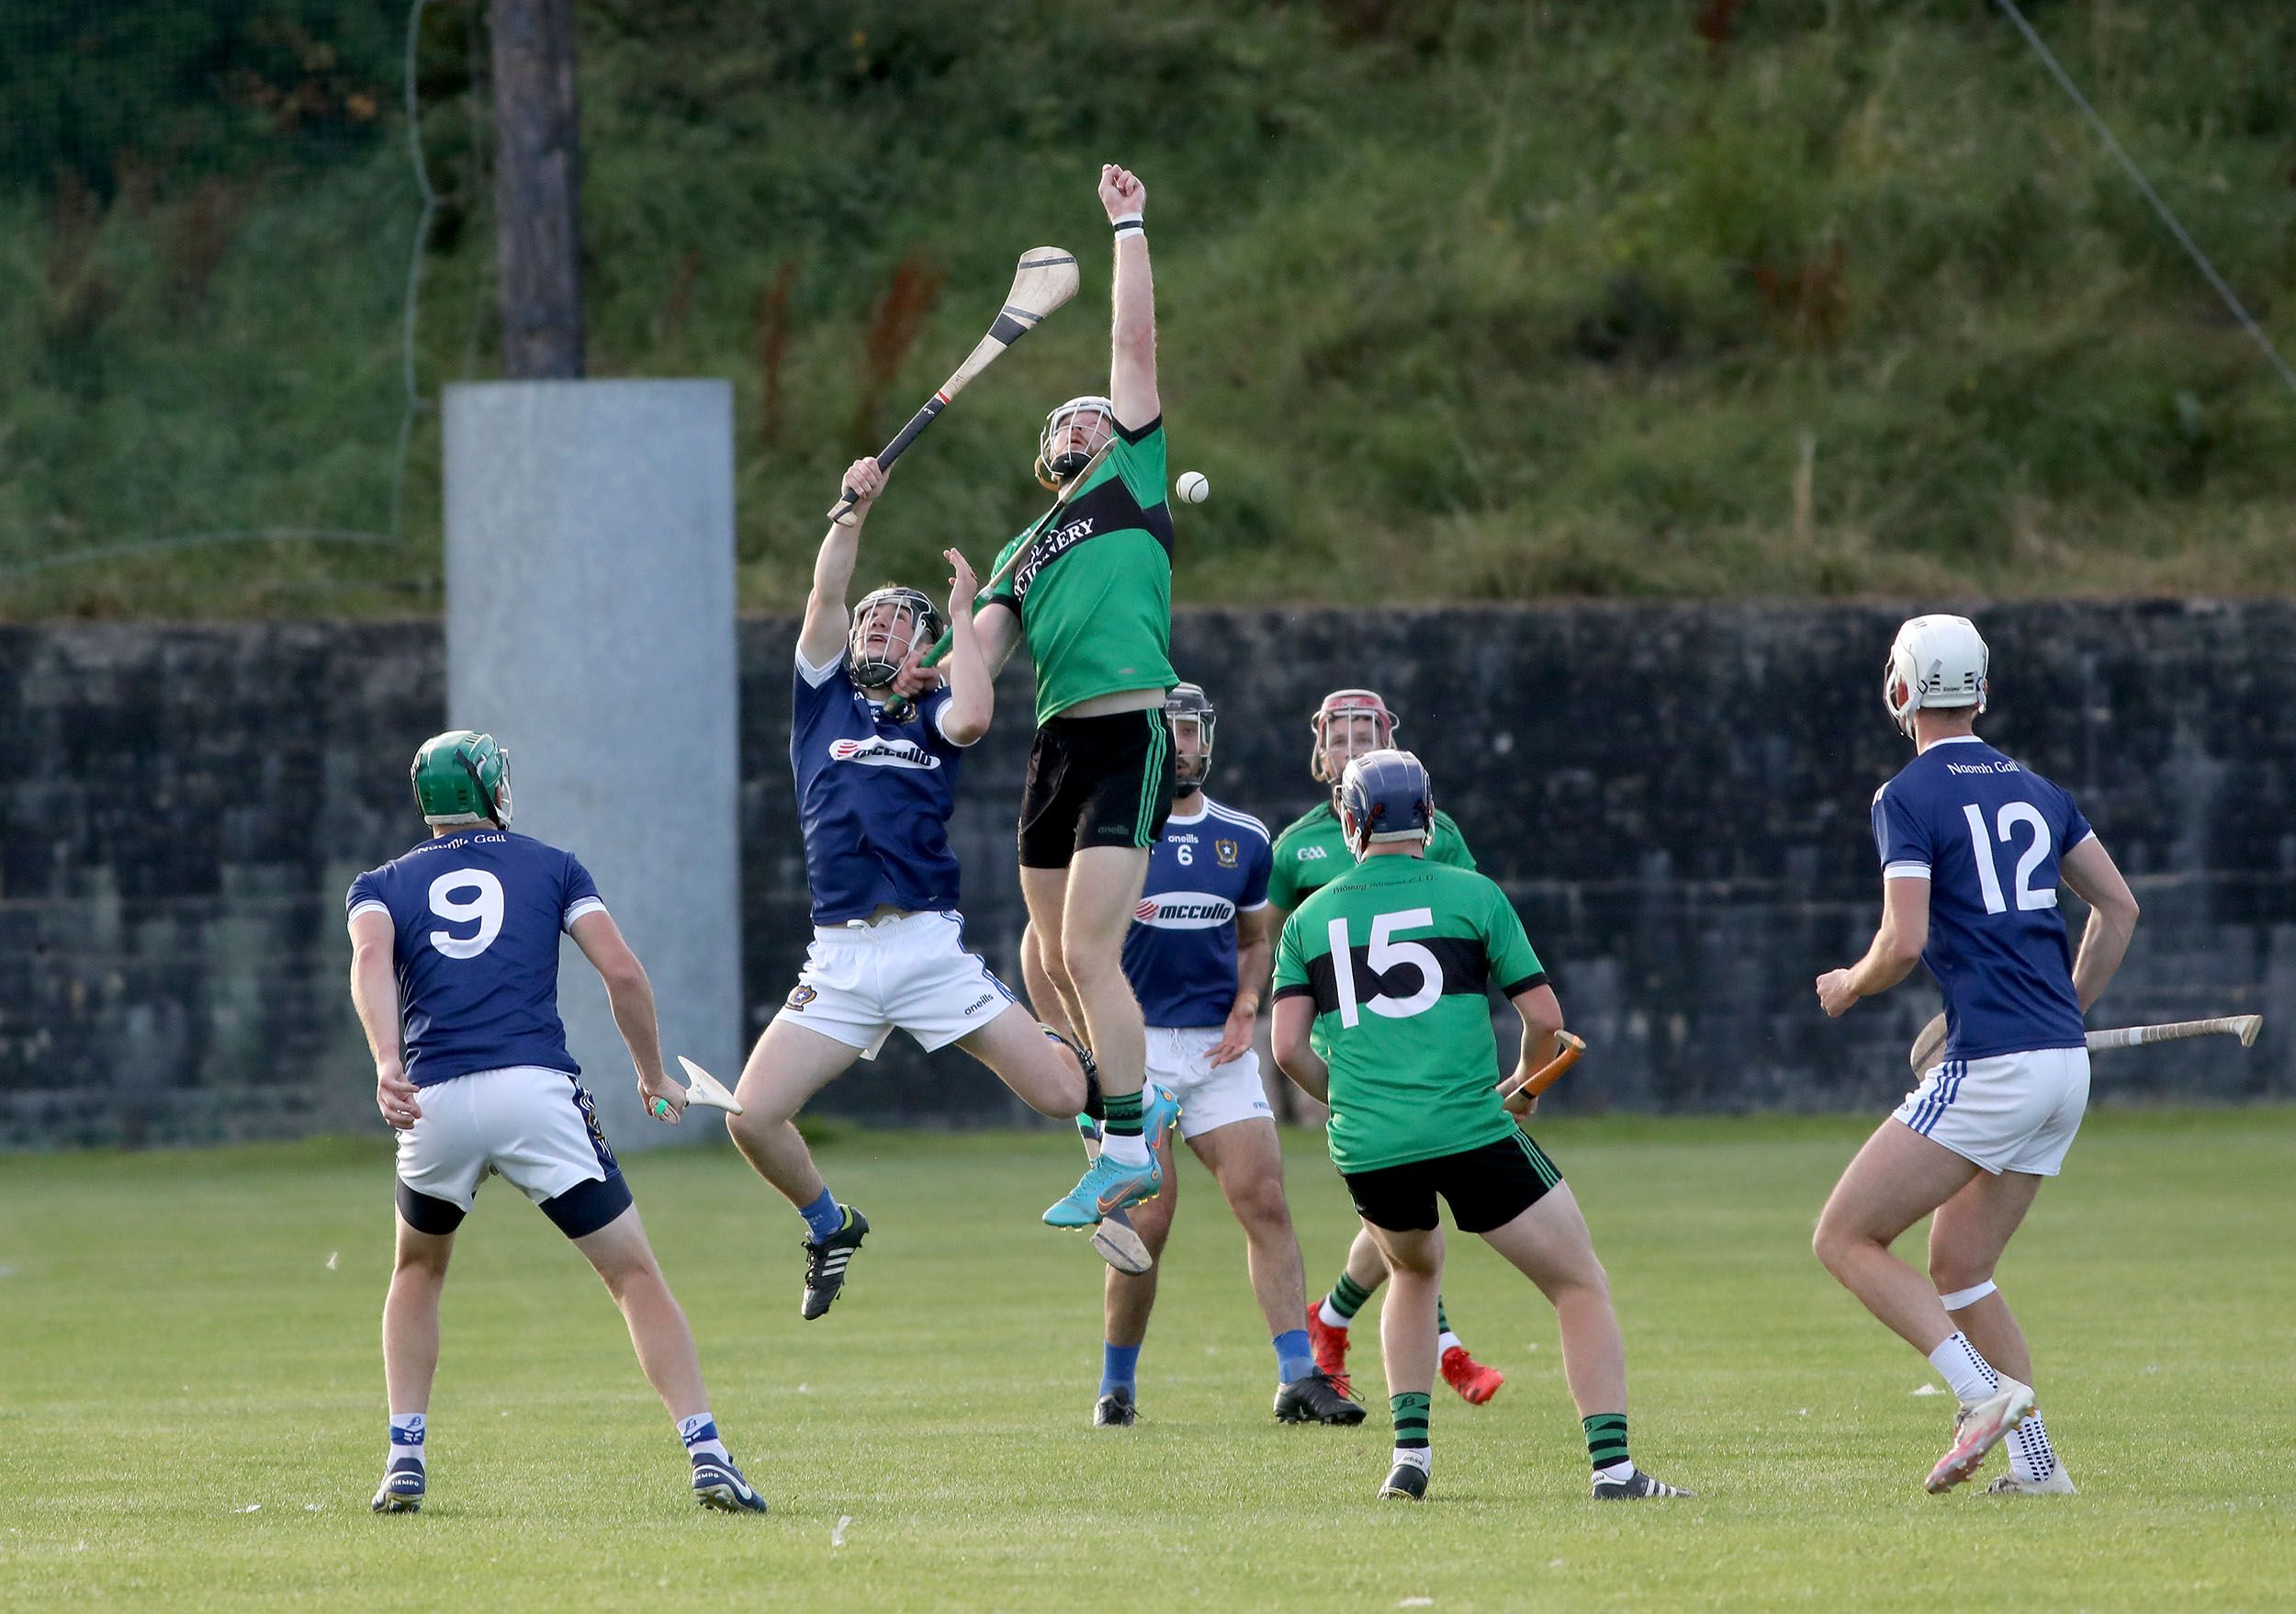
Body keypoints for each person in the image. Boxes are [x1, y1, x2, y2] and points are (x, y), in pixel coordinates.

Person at [720, 457, 1149, 1324]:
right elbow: (823, 597)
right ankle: (829, 1222)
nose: (876, 633)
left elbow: (979, 714)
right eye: (870, 622)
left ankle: (1126, 1094)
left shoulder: (934, 714)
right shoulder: (820, 705)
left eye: (896, 626)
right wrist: (851, 512)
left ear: (926, 650)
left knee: (1065, 1094)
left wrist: (961, 614)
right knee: (752, 1115)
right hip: (839, 956)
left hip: (925, 947)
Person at [347, 730, 766, 1516]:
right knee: (632, 1274)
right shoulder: (554, 864)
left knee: (417, 1270)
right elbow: (623, 971)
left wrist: (384, 1060)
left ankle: (404, 1454)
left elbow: (369, 962)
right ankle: (707, 1451)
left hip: (434, 1098)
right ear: (491, 790)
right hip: (535, 1093)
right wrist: (651, 1073)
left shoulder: (379, 883)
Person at [1271, 750, 1693, 1503]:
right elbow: (1545, 1018)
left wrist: (1351, 1095)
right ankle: (1613, 1470)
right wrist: (1524, 1088)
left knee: (1410, 1270)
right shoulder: (1473, 894)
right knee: (1578, 1282)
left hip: (1370, 1142)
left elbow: (1287, 1048)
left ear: (1351, 821)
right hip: (1471, 1126)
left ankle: (1409, 1459)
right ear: (1426, 817)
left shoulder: (1310, 916)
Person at [1812, 615, 2139, 1495]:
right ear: (1981, 690)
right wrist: (2066, 1012)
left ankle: (1979, 1392)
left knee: (1843, 1235)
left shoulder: (1905, 796)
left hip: (1992, 1063)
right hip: (2062, 1070)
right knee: (1960, 1268)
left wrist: (1849, 982)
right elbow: (2120, 909)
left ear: (1900, 690)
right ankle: (2038, 1469)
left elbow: (1904, 940)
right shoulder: (2039, 789)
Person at [942, 164, 1182, 1236]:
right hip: (1050, 751)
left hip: (1128, 730)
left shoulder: (1129, 478)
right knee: (1041, 957)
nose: (1089, 422)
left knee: (1086, 950)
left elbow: (1133, 351)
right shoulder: (1020, 547)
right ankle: (1114, 1115)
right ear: (1047, 451)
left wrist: (1126, 227)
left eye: (1099, 414)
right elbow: (977, 671)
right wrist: (948, 626)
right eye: (1071, 420)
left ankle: (1128, 1147)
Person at [1023, 683, 1362, 1428]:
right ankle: (1117, 1386)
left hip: (1216, 1047)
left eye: (1192, 730)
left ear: (1209, 738)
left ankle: (1297, 1376)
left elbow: (1254, 941)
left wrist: (1249, 1005)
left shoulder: (1243, 838)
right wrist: (1072, 1045)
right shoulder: (1106, 833)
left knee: (1264, 1198)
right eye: (1169, 730)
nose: (1182, 744)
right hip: (1130, 1056)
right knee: (1150, 1219)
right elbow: (1039, 949)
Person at [1266, 688, 1503, 1405]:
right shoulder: (1296, 846)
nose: (1352, 748)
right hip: (1351, 1055)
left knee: (1403, 1211)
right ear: (1320, 750)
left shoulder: (1443, 834)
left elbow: (1467, 921)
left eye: (1365, 733)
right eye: (1340, 737)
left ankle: (1333, 1321)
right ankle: (1445, 1351)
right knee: (1408, 1204)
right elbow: (1272, 943)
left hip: (1424, 1047)